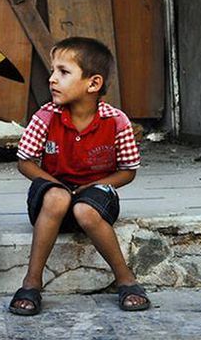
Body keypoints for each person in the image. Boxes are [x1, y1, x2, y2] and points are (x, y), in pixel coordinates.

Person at [8, 37, 150, 315]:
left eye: (63, 72)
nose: (52, 79)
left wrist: (93, 186)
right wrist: (57, 185)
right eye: (53, 71)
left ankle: (125, 279)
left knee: (85, 210)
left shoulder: (116, 121)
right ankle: (32, 282)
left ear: (93, 84)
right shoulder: (45, 117)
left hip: (95, 195)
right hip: (51, 198)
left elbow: (128, 171)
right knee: (58, 198)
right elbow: (25, 162)